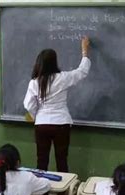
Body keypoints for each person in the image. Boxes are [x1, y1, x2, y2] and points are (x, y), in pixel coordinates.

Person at [23, 37, 91, 173]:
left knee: (41, 161)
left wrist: (38, 116)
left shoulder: (34, 82)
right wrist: (85, 52)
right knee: (62, 160)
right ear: (54, 62)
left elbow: (28, 104)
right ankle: (62, 194)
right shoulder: (63, 78)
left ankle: (42, 194)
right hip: (61, 123)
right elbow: (82, 72)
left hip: (41, 125)